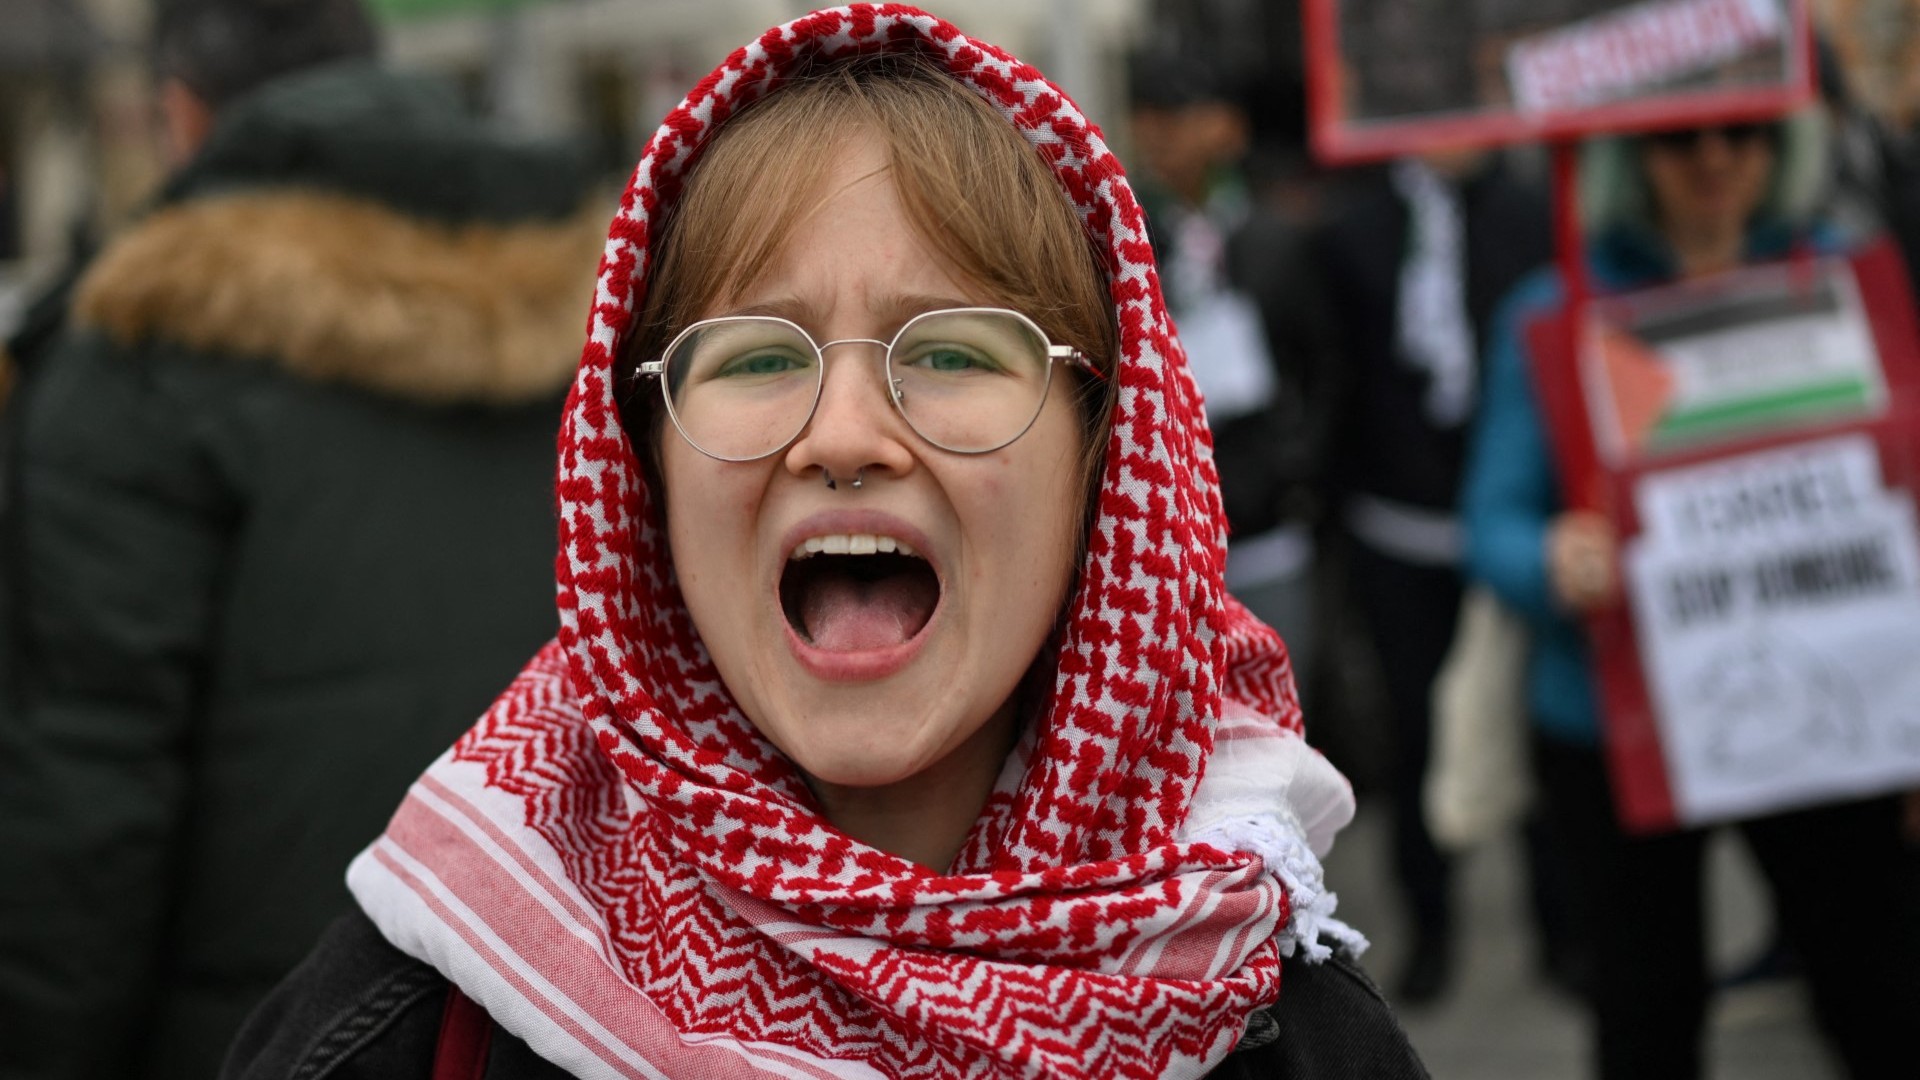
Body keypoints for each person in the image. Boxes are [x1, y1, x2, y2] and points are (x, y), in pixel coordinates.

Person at [220, 9, 1430, 1079]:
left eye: (954, 351)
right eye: (755, 357)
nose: (843, 436)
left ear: (1099, 464)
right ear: (647, 469)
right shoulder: (420, 1014)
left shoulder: (1287, 1030)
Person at [0, 1, 600, 1076]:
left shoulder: (140, 351)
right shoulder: (581, 297)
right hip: (527, 999)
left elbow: (85, 786)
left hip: (253, 1031)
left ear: (182, 113)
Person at [1462, 115, 1920, 1079]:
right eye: (1681, 139)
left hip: (1834, 714)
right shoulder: (1556, 307)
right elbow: (1491, 517)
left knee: (1875, 987)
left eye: (1746, 132)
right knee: (1645, 1007)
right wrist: (1551, 558)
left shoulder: (1841, 276)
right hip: (1612, 723)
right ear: (1633, 154)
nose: (1717, 158)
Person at [1314, 150, 1566, 1003]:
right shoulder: (1353, 227)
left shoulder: (1533, 209)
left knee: (1533, 727)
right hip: (1396, 525)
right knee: (1416, 733)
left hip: (1518, 526)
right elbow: (1335, 376)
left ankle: (1561, 929)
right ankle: (1431, 926)